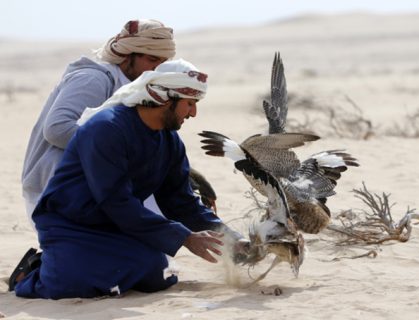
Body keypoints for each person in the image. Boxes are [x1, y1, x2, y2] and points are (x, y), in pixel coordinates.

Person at [10, 59, 245, 299]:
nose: (193, 113)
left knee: (159, 276)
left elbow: (180, 202)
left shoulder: (170, 142)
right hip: (70, 223)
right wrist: (184, 237)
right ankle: (31, 271)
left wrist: (232, 238)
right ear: (164, 98)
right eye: (190, 103)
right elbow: (115, 200)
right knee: (71, 286)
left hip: (117, 224)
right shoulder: (106, 128)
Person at [21, 19, 176, 225]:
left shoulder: (134, 88)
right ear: (127, 55)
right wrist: (121, 151)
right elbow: (57, 129)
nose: (156, 69)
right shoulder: (93, 79)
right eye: (151, 59)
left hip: (101, 187)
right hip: (58, 192)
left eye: (162, 63)